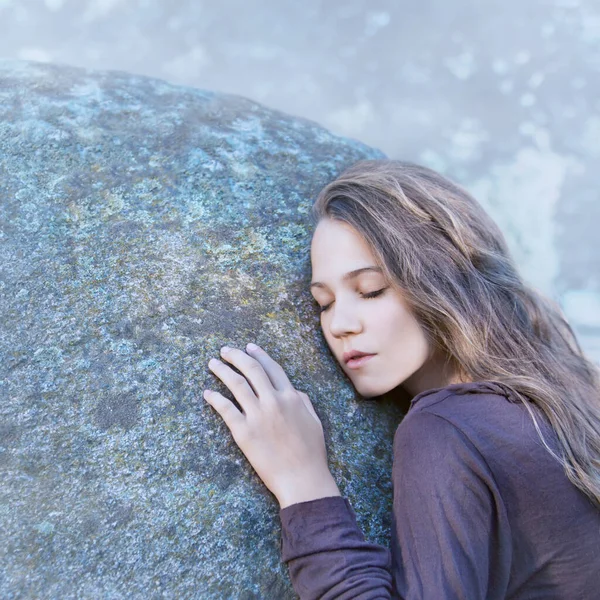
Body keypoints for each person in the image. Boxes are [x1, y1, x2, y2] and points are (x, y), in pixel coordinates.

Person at [202, 160, 600, 599]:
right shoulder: (560, 394)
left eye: (371, 290)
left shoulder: (447, 429)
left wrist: (303, 483)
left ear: (444, 278)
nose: (340, 325)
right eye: (323, 302)